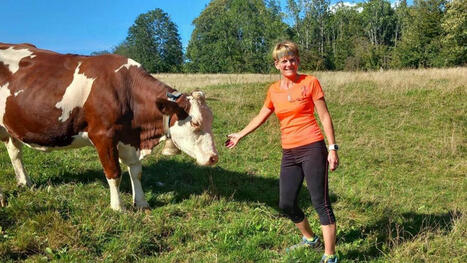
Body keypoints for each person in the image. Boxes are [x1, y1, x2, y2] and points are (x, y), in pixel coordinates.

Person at [226, 41, 339, 263]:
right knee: (286, 203)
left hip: (312, 147)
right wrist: (240, 134)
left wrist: (332, 148)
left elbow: (324, 116)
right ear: (277, 64)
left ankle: (330, 255)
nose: (289, 64)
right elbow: (262, 115)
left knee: (320, 202)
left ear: (298, 60)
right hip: (289, 152)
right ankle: (310, 239)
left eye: (293, 59)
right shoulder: (273, 91)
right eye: (284, 60)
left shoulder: (310, 82)